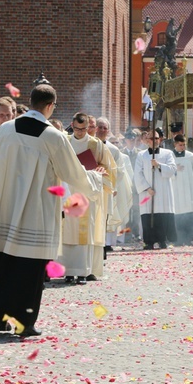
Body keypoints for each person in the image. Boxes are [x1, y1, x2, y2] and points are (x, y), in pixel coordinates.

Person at [0, 85, 103, 336]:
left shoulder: (5, 129)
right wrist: (95, 180)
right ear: (50, 106)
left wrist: (3, 193)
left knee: (3, 263)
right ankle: (25, 323)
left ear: (31, 101)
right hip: (34, 213)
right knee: (29, 269)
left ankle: (1, 317)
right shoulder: (52, 136)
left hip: (4, 208)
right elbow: (73, 174)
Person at [61, 113, 116, 284]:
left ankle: (84, 271)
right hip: (68, 192)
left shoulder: (96, 144)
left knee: (86, 232)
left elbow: (109, 168)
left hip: (88, 193)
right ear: (72, 125)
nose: (79, 132)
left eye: (83, 129)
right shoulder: (65, 142)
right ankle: (68, 271)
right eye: (76, 129)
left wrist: (99, 172)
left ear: (89, 127)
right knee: (67, 232)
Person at [134, 128, 177, 249]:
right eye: (152, 138)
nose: (155, 141)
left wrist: (158, 165)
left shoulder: (167, 153)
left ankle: (163, 240)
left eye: (157, 138)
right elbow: (138, 174)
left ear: (160, 139)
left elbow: (172, 170)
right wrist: (147, 188)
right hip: (148, 192)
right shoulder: (141, 155)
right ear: (147, 140)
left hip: (163, 191)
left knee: (162, 215)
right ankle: (149, 241)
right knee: (149, 216)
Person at [95, 117, 132, 251]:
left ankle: (107, 242)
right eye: (100, 127)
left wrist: (113, 186)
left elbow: (120, 171)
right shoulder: (89, 144)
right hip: (92, 186)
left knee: (108, 214)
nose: (102, 130)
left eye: (105, 128)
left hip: (108, 187)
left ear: (109, 131)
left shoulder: (114, 150)